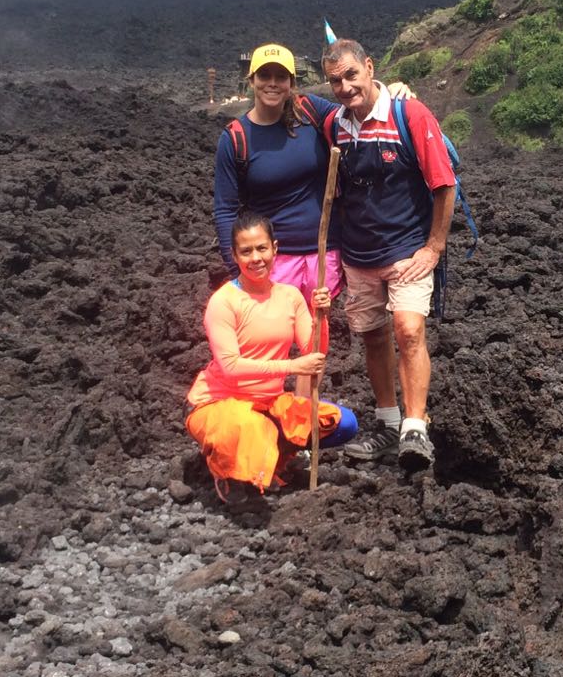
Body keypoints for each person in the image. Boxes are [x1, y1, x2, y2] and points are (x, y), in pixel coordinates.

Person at [321, 38, 456, 471]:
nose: (344, 87)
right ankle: (387, 422)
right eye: (335, 81)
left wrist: (434, 247)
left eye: (351, 75)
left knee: (409, 329)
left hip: (407, 251)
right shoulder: (335, 126)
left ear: (369, 67)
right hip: (359, 254)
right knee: (373, 335)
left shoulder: (409, 114)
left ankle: (415, 427)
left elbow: (443, 183)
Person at [186, 211, 357, 500]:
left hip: (269, 403)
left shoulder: (290, 296)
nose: (256, 258)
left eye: (262, 248)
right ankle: (226, 470)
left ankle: (274, 457)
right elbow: (230, 366)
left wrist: (321, 316)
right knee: (252, 427)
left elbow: (314, 351)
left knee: (342, 423)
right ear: (235, 255)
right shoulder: (224, 302)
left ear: (275, 248)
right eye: (246, 251)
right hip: (218, 403)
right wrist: (291, 366)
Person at [212, 44, 343, 311]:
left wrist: (384, 90)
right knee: (276, 342)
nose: (272, 83)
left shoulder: (309, 110)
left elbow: (355, 113)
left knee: (319, 340)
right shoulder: (236, 138)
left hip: (325, 253)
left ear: (292, 82)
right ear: (252, 80)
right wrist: (234, 266)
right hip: (274, 263)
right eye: (264, 76)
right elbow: (225, 210)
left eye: (281, 77)